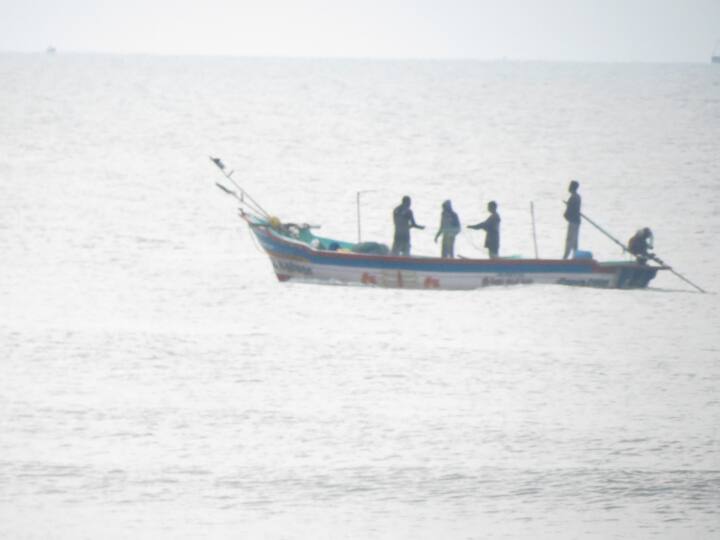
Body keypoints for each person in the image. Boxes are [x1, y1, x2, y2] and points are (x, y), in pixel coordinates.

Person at [563, 180, 581, 259]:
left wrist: (565, 215)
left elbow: (570, 211)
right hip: (576, 221)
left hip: (573, 221)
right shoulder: (577, 197)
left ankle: (565, 257)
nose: (568, 187)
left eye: (570, 186)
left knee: (570, 240)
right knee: (574, 240)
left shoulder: (573, 197)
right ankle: (575, 257)